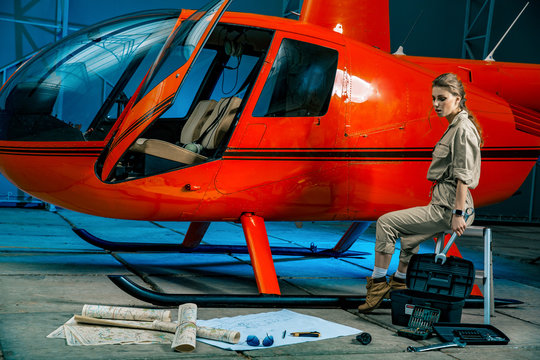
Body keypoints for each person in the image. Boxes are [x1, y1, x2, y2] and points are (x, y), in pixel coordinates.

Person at [358, 73, 483, 313]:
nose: (436, 104)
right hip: (444, 203)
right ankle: (399, 285)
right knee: (408, 238)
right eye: (434, 98)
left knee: (386, 223)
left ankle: (377, 285)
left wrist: (458, 214)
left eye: (442, 98)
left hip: (451, 208)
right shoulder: (455, 126)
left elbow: (463, 177)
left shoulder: (463, 130)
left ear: (458, 99)